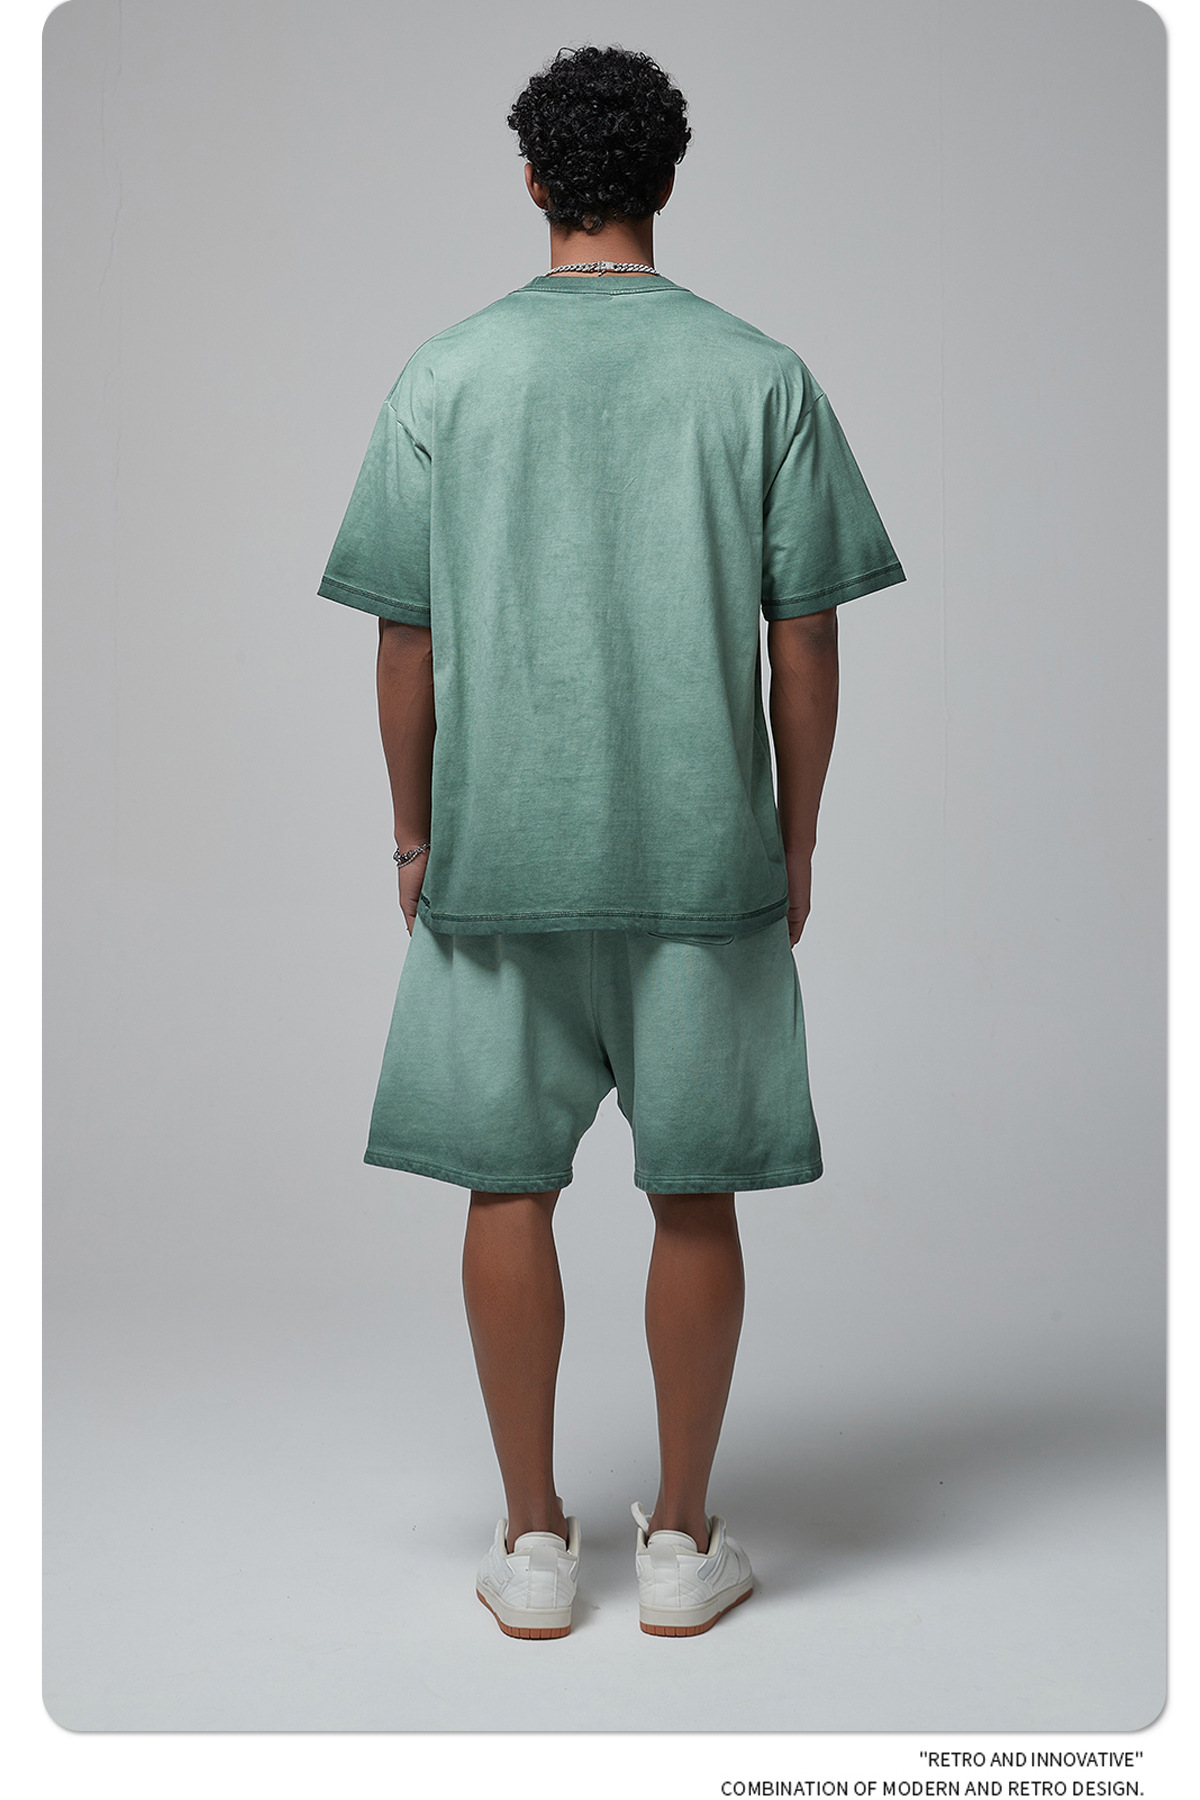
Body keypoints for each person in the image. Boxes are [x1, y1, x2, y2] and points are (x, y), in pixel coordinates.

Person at [318, 44, 905, 1641]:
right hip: (704, 862)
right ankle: (683, 1545)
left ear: (532, 181)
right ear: (668, 178)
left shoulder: (445, 376)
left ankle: (530, 1544)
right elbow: (806, 633)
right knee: (693, 1191)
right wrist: (796, 835)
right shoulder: (760, 375)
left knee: (505, 1185)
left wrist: (413, 834)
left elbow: (403, 639)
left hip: (497, 863)